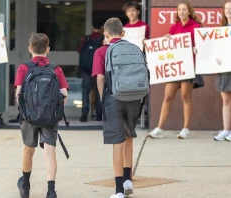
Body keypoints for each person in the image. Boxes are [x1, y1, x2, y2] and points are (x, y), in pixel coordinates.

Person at [92, 18, 144, 198]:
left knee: (117, 141)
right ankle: (128, 179)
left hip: (114, 97)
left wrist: (102, 98)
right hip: (133, 97)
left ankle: (119, 190)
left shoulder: (101, 51)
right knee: (129, 136)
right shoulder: (133, 48)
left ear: (105, 34)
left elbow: (100, 78)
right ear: (123, 33)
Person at [14, 33, 69, 198]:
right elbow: (64, 94)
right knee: (50, 152)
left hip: (29, 117)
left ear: (30, 48)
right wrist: (55, 113)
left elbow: (18, 94)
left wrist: (25, 112)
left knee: (28, 150)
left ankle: (25, 185)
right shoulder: (55, 69)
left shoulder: (24, 68)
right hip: (50, 117)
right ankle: (51, 191)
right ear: (48, 49)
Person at [148, 1, 204, 139]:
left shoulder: (196, 27)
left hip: (188, 66)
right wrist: (168, 39)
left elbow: (202, 46)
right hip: (175, 68)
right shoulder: (174, 28)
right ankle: (160, 128)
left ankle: (186, 129)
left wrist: (196, 49)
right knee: (167, 97)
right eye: (179, 10)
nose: (182, 12)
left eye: (184, 9)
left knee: (185, 96)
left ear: (189, 11)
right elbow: (171, 48)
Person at [78, 22, 104, 122]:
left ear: (92, 28)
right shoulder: (102, 39)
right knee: (99, 92)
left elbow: (79, 50)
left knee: (85, 92)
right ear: (101, 28)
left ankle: (84, 114)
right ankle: (99, 115)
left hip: (86, 70)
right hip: (98, 69)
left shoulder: (86, 39)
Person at [214, 0, 231, 141]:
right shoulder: (221, 29)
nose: (229, 11)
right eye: (227, 9)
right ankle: (226, 130)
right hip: (224, 69)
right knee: (226, 99)